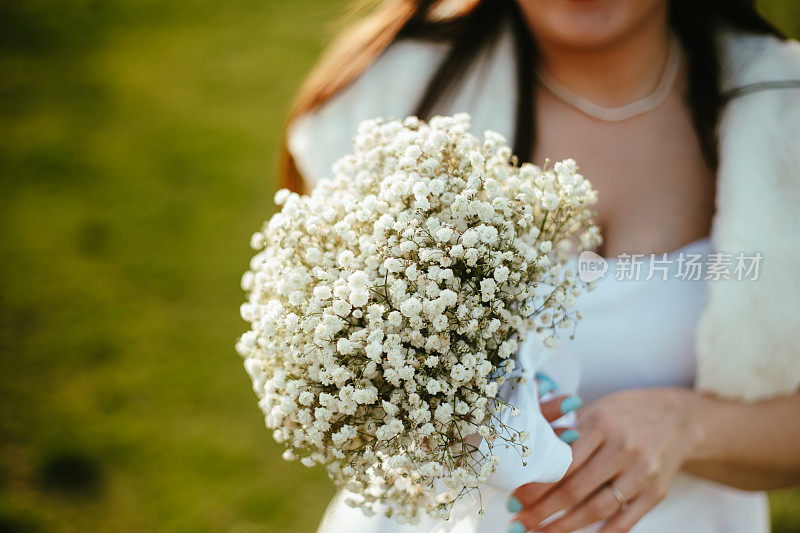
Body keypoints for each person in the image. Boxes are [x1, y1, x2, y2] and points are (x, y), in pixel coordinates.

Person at [280, 0, 800, 531]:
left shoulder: (784, 110)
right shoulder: (392, 92)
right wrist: (423, 418)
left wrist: (689, 426)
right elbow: (328, 355)